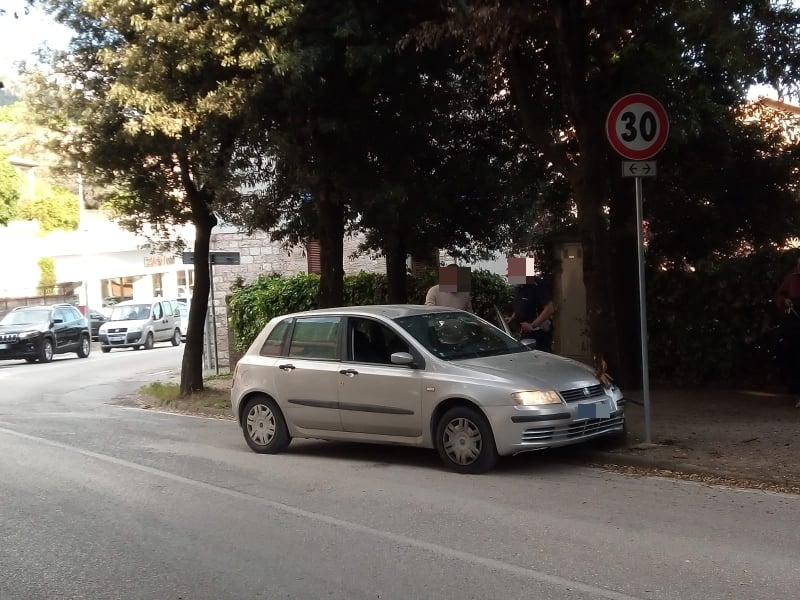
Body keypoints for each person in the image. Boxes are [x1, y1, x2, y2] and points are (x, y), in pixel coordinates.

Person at [774, 253, 800, 408]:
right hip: (796, 321)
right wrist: (785, 300)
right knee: (796, 356)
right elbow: (779, 293)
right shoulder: (792, 279)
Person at [508, 273, 555, 352]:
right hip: (525, 332)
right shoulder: (519, 287)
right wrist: (513, 317)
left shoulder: (537, 284)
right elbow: (520, 305)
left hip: (538, 333)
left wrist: (532, 326)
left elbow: (549, 309)